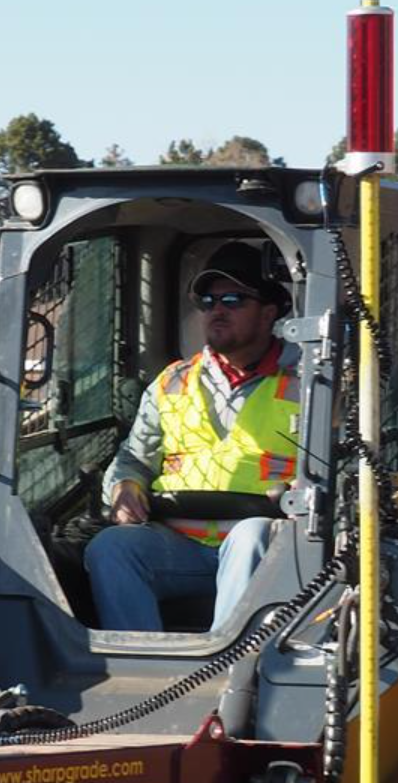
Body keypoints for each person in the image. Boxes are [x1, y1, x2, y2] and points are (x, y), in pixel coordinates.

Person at [84, 242, 300, 632]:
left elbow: (343, 464)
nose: (217, 310)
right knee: (112, 548)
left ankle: (227, 669)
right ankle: (145, 675)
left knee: (251, 534)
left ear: (269, 312)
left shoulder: (311, 383)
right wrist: (125, 487)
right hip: (179, 546)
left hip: (268, 549)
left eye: (233, 299)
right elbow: (134, 458)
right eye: (207, 300)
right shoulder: (171, 381)